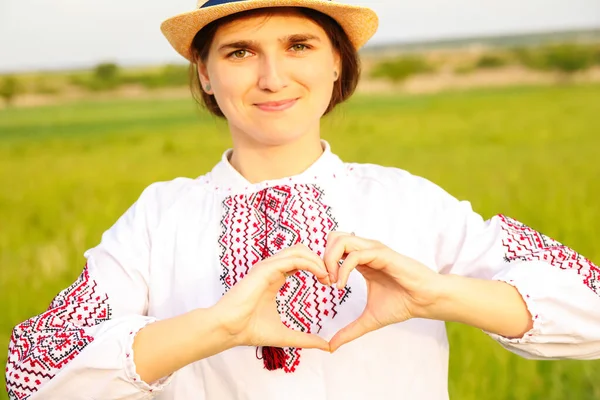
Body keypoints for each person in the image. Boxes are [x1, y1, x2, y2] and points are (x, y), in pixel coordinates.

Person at [5, 0, 600, 399]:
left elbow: (591, 305)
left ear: (338, 62)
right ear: (206, 74)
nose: (272, 76)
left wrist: (437, 294)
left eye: (299, 45)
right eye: (239, 51)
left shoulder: (409, 201)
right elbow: (33, 374)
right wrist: (217, 326)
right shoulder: (160, 218)